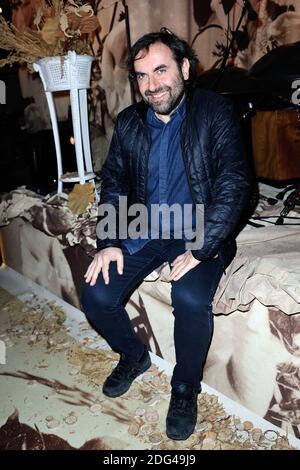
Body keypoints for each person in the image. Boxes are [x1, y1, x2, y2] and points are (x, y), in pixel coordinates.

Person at [81, 29, 251, 441]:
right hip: (145, 228)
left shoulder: (214, 111)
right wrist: (109, 242)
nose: (152, 85)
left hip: (199, 228)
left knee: (190, 297)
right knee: (96, 294)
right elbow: (115, 183)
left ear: (185, 69)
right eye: (142, 76)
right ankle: (134, 356)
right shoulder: (129, 123)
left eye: (161, 70)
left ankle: (184, 386)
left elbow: (234, 181)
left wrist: (204, 245)